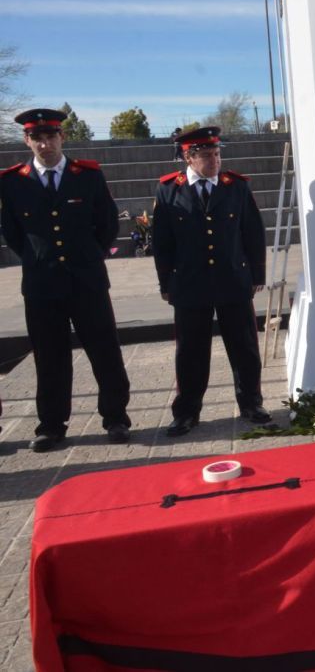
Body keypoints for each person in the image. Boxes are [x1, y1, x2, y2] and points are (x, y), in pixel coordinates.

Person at [1, 108, 132, 451]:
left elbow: (107, 223)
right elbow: (14, 233)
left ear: (62, 137)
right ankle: (52, 425)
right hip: (42, 285)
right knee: (49, 356)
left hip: (86, 280)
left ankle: (116, 417)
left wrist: (87, 256)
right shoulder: (13, 181)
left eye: (51, 136)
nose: (45, 144)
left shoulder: (87, 176)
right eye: (37, 138)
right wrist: (40, 258)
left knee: (104, 351)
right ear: (27, 141)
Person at [152, 126, 271, 436]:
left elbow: (253, 233)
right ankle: (187, 411)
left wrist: (257, 274)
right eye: (206, 155)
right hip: (189, 283)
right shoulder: (169, 189)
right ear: (188, 158)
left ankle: (251, 403)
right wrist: (165, 283)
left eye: (217, 154)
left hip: (232, 279)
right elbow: (163, 243)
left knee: (244, 346)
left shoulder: (236, 186)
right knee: (190, 351)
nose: (214, 160)